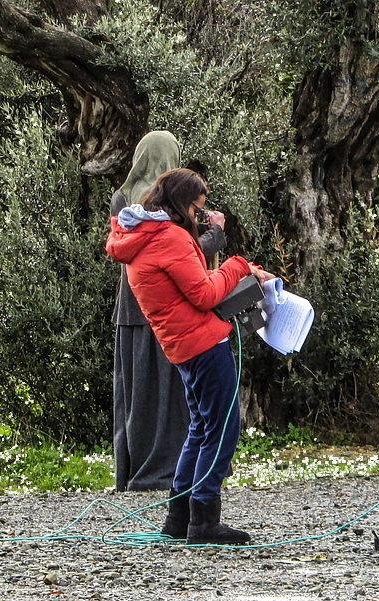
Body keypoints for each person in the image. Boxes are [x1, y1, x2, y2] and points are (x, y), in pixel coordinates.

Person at [106, 168, 274, 543]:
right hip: (203, 344)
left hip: (180, 346)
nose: (198, 217)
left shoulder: (139, 236)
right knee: (223, 429)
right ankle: (204, 519)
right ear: (182, 205)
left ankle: (179, 516)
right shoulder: (170, 238)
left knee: (200, 426)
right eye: (197, 210)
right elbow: (204, 294)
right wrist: (239, 265)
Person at [110, 131, 229, 493]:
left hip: (131, 307)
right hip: (172, 310)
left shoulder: (123, 198)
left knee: (137, 395)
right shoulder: (171, 204)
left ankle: (137, 471)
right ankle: (176, 472)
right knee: (178, 398)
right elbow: (183, 256)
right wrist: (217, 237)